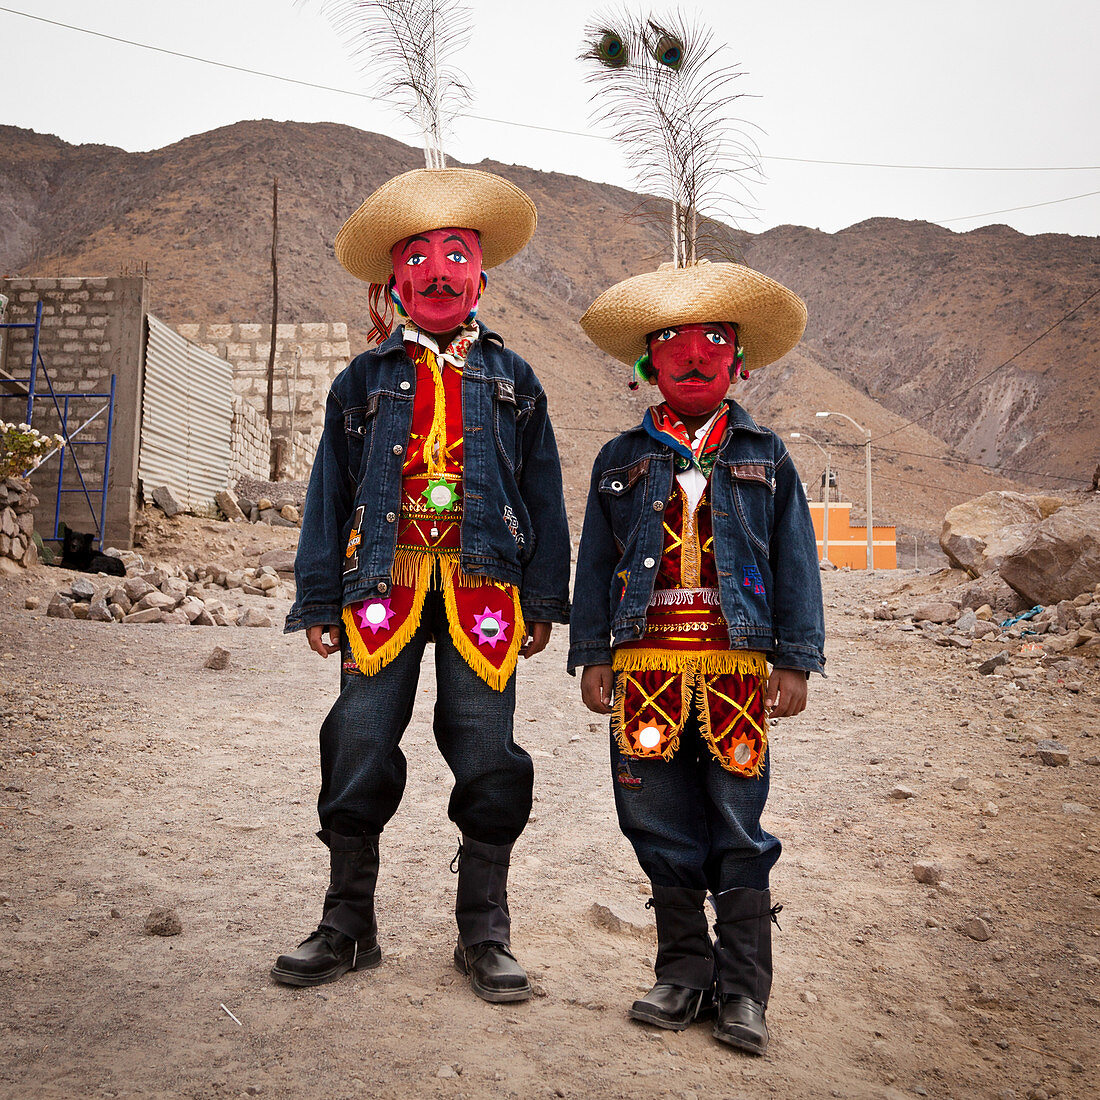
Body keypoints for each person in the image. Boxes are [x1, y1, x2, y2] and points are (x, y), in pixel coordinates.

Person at [275, 166, 570, 1004]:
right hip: (381, 583)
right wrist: (317, 596)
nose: (438, 273)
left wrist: (546, 598)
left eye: (456, 255)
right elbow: (328, 495)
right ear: (395, 278)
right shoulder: (360, 383)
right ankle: (346, 923)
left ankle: (484, 932)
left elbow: (543, 490)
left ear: (480, 272)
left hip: (486, 588)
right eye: (420, 258)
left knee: (486, 750)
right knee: (359, 739)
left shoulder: (517, 381)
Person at [569, 259, 825, 1053]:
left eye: (714, 338)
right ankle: (682, 973)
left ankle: (745, 990)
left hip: (740, 671)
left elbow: (796, 561)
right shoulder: (618, 460)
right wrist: (592, 654)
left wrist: (795, 657)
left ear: (739, 360)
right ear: (649, 359)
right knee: (653, 815)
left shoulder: (768, 455)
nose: (694, 353)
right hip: (642, 665)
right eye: (675, 339)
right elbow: (592, 564)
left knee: (737, 820)